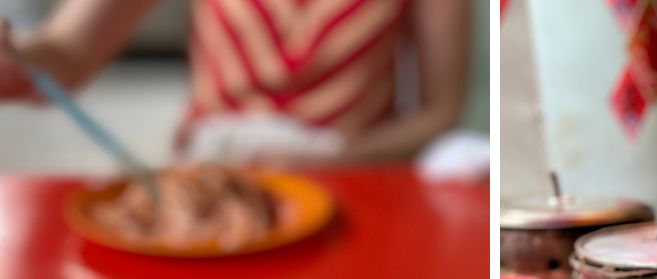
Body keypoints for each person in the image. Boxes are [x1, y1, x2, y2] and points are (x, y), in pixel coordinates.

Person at [0, 0, 469, 167]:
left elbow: (438, 113)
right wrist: (14, 63)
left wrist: (337, 158)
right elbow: (65, 56)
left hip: (356, 183)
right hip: (211, 178)